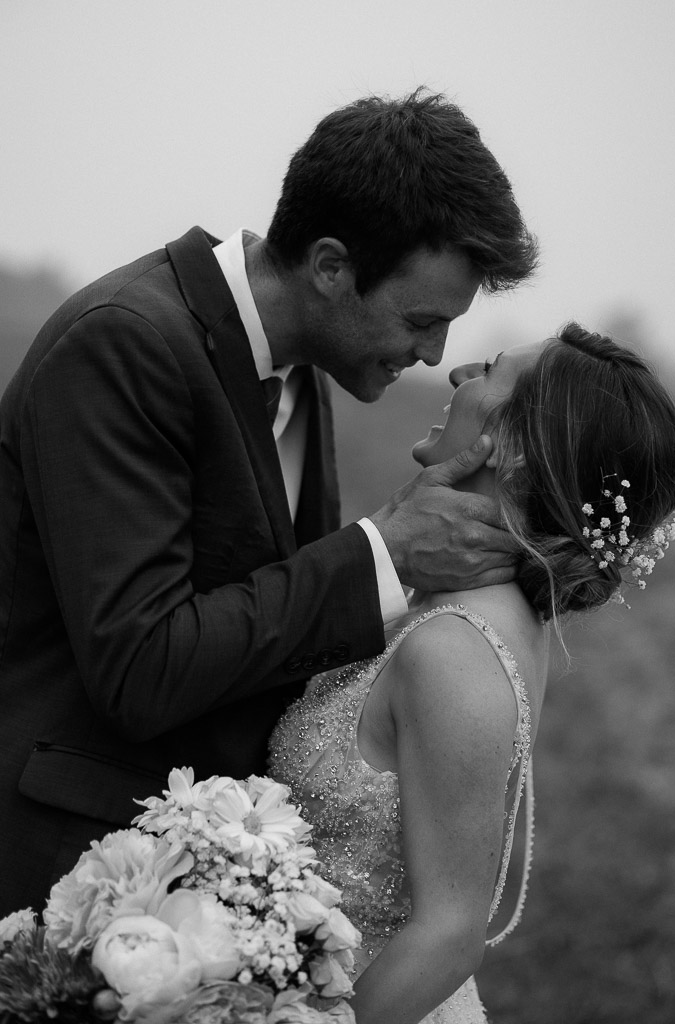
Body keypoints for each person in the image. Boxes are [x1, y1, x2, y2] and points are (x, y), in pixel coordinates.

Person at [0, 89, 538, 916]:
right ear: (329, 267)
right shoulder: (125, 343)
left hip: (192, 890)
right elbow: (141, 667)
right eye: (420, 319)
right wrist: (381, 556)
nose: (433, 353)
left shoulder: (303, 367)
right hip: (57, 879)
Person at [269, 323, 675, 1024]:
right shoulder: (494, 610)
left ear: (517, 453)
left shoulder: (454, 650)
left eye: (490, 369)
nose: (458, 371)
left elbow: (449, 935)